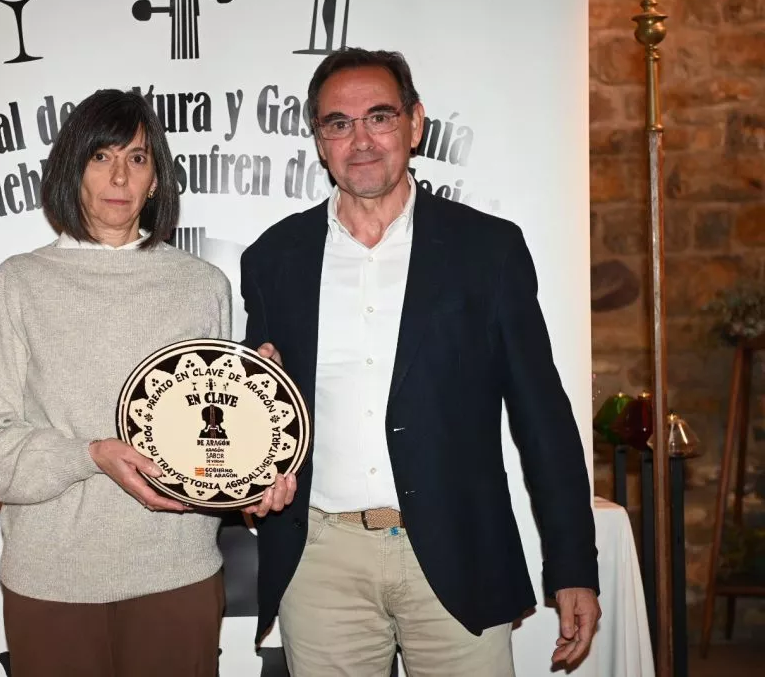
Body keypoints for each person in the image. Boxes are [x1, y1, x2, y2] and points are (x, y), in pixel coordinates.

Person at [241, 49, 601, 676]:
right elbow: (258, 408)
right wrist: (248, 476)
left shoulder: (488, 249)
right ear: (319, 140)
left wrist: (572, 565)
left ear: (415, 123)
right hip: (321, 559)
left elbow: (543, 419)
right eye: (338, 123)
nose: (360, 140)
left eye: (379, 117)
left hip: (460, 548)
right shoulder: (273, 258)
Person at [0, 88, 288, 677]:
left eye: (137, 158)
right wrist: (91, 455)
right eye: (101, 155)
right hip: (51, 581)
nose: (119, 175)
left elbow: (216, 438)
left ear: (156, 179)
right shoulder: (20, 283)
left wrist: (262, 437)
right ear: (72, 170)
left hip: (177, 575)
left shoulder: (202, 285)